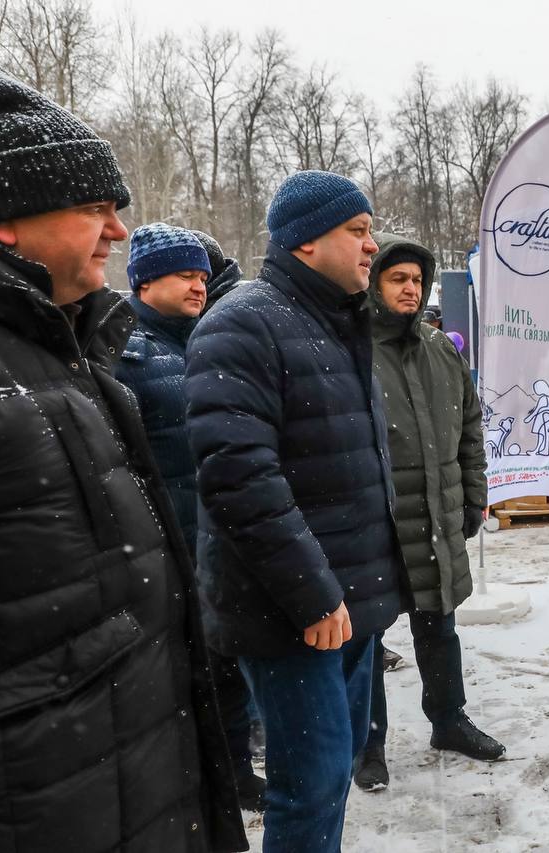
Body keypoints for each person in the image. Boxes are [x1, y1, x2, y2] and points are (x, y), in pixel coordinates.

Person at [0, 55, 246, 852]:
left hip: (132, 774)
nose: (120, 229)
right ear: (4, 219)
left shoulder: (65, 344)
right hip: (35, 804)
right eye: (93, 208)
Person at [185, 170, 401, 853]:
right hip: (293, 615)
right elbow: (239, 477)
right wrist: (312, 595)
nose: (373, 247)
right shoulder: (242, 323)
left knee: (331, 776)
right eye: (357, 232)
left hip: (350, 606)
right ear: (307, 242)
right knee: (307, 788)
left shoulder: (335, 322)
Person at [115, 223, 266, 812]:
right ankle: (186, 776)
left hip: (221, 538)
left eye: (203, 276)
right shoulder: (122, 353)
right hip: (161, 545)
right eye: (185, 275)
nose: (199, 286)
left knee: (225, 664)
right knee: (174, 672)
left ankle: (232, 770)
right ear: (146, 281)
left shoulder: (213, 340)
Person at [353, 234, 502, 792]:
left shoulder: (442, 349)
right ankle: (368, 746)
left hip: (438, 516)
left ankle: (449, 721)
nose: (411, 289)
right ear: (373, 284)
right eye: (398, 279)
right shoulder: (350, 349)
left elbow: (470, 428)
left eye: (417, 280)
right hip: (377, 522)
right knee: (367, 639)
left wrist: (473, 493)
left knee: (439, 626)